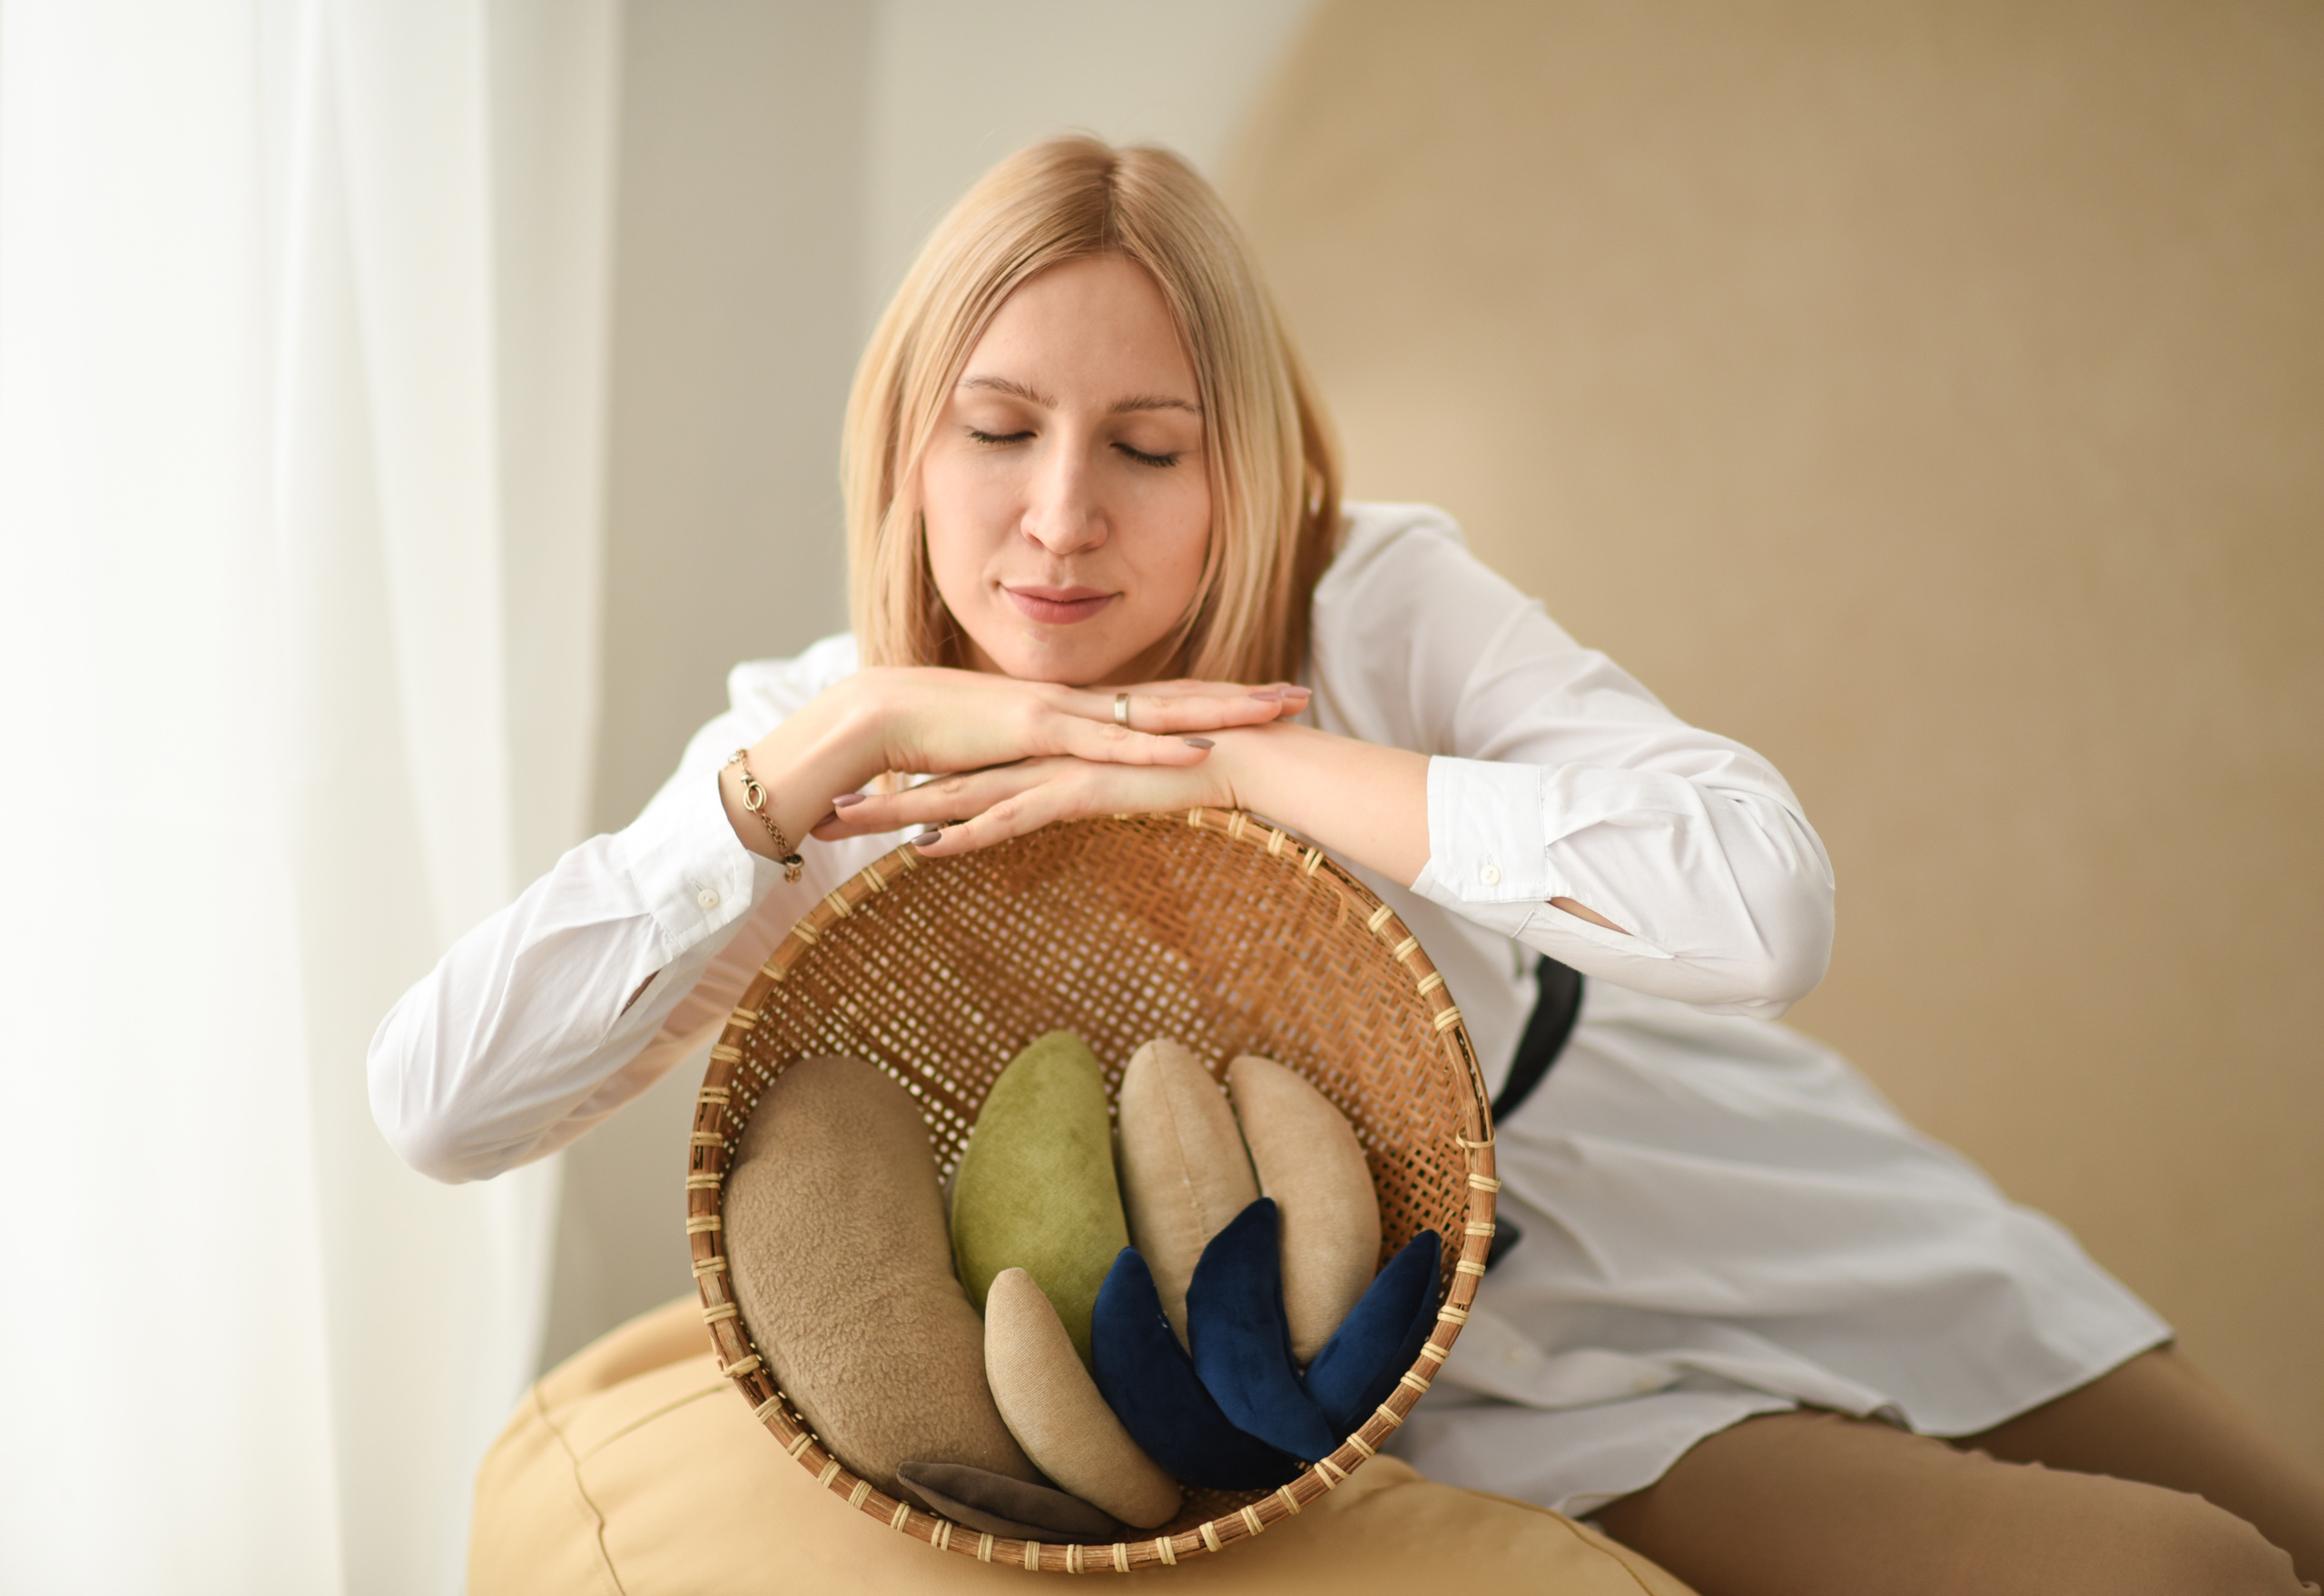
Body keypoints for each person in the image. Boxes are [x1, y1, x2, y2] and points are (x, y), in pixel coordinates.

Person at [370, 136, 2324, 1595]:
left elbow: (1760, 898)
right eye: (995, 430)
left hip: (1697, 1163)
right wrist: (816, 756)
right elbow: (437, 1108)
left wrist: (1266, 776)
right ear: (903, 445)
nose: (1059, 519)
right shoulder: (819, 754)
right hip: (1440, 1342)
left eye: (1147, 444)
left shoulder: (1368, 595)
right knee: (2183, 1582)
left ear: (1244, 467)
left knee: (2281, 1523)